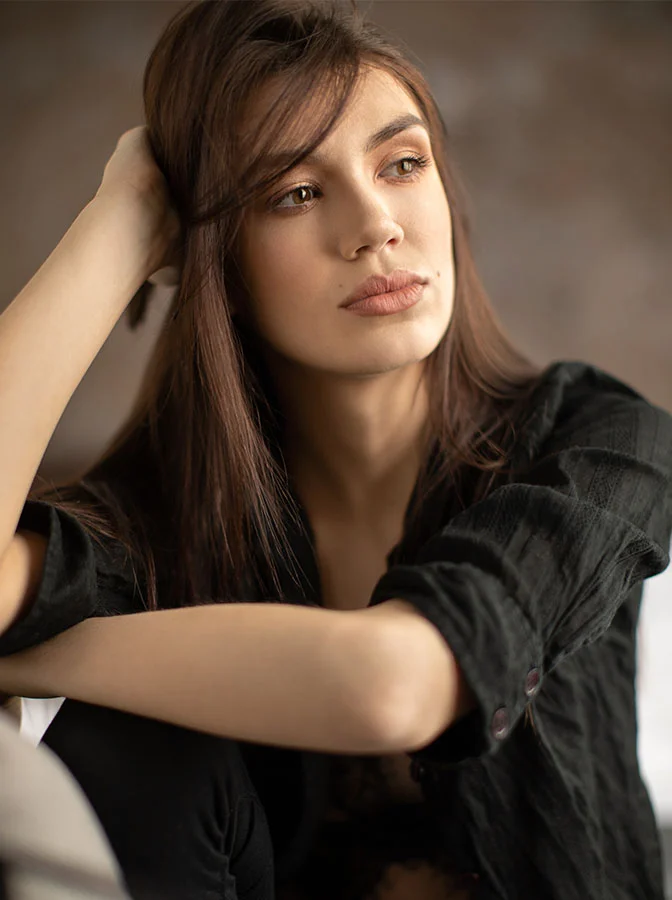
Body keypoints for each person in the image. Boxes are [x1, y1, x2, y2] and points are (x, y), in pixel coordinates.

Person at [0, 1, 670, 898]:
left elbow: (394, 685)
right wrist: (118, 223)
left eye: (402, 163)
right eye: (295, 192)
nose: (376, 226)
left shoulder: (598, 448)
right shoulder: (168, 510)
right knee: (134, 744)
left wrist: (25, 651)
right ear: (217, 263)